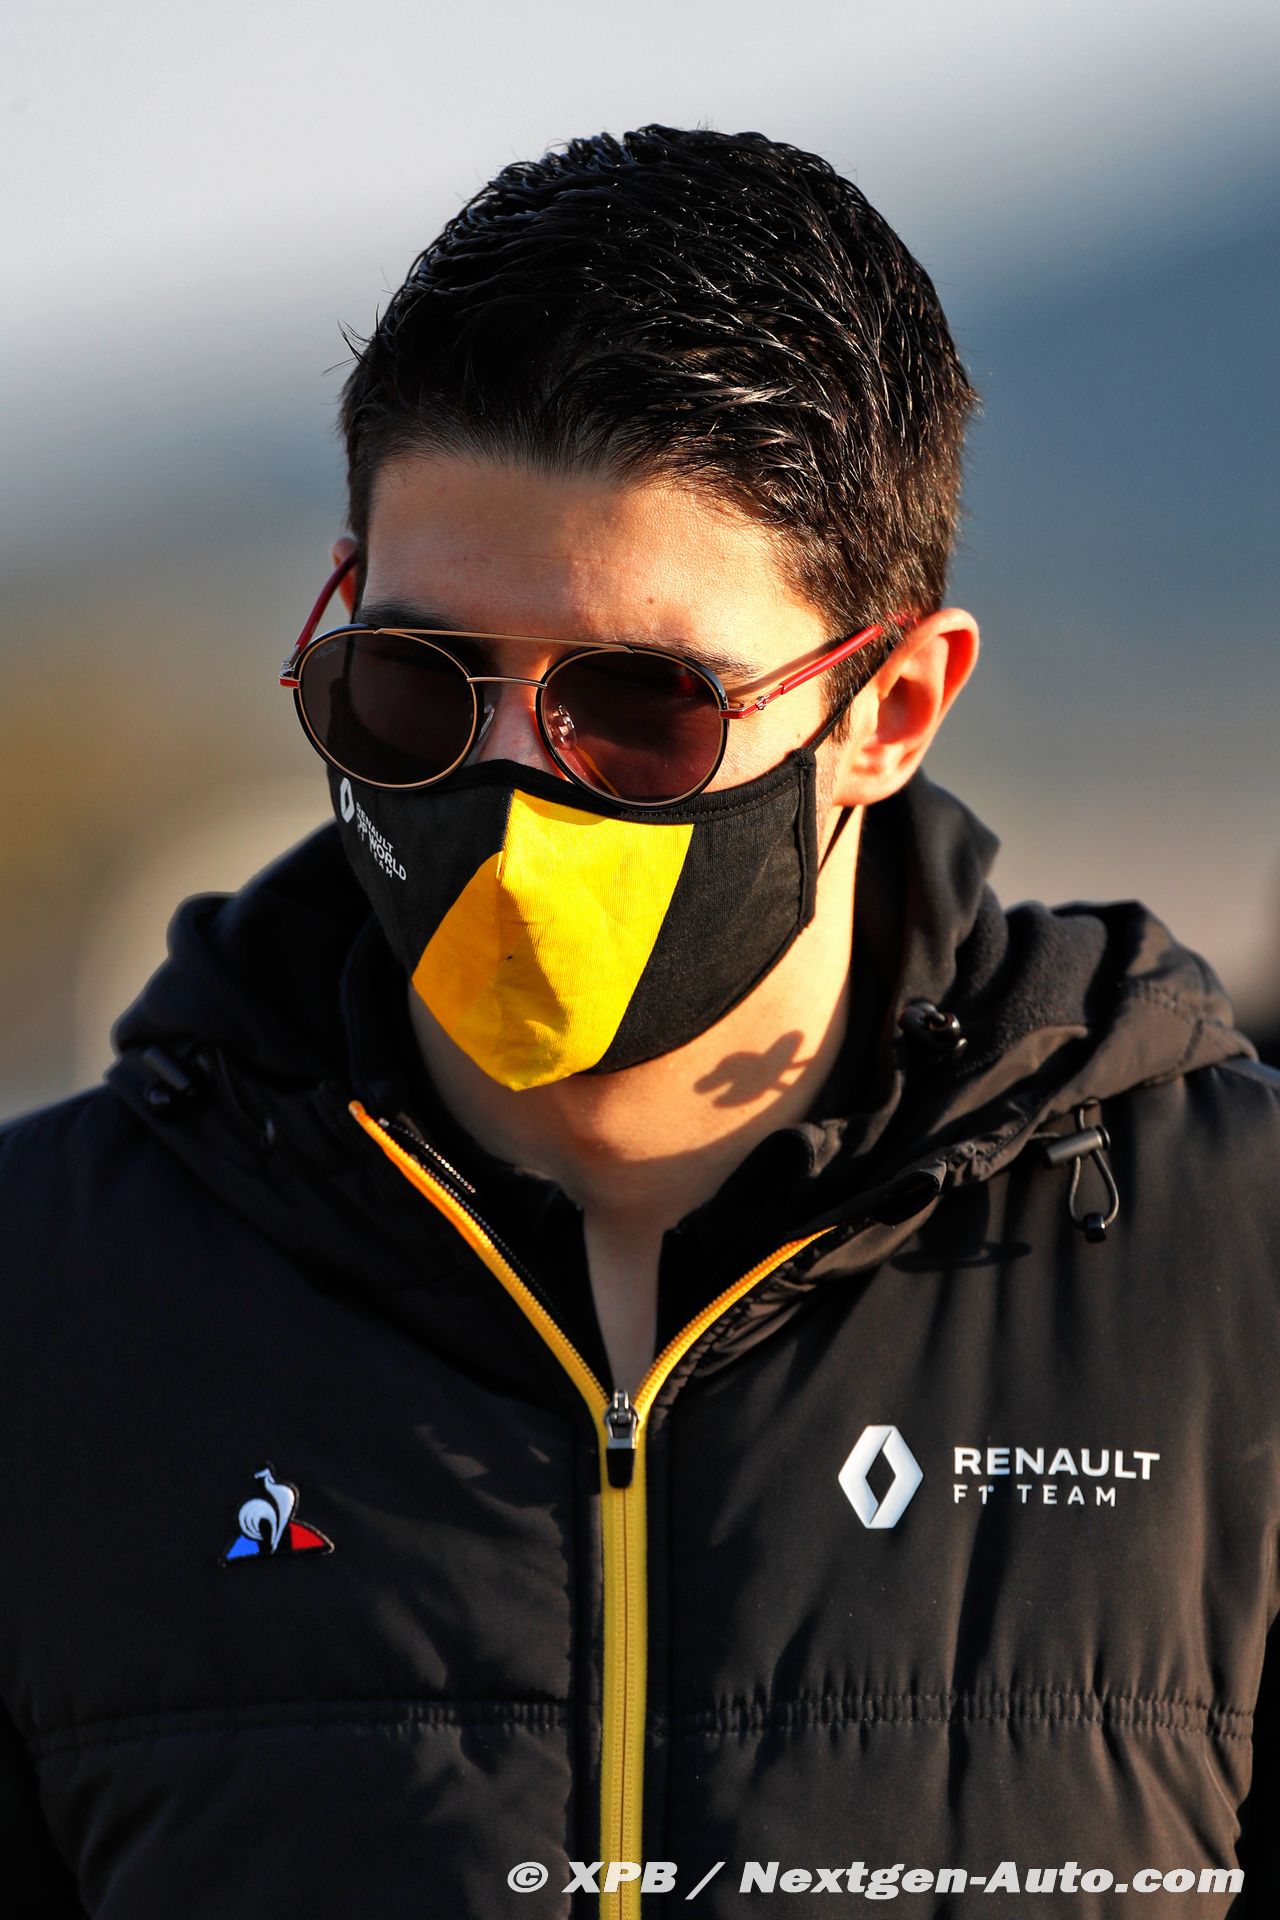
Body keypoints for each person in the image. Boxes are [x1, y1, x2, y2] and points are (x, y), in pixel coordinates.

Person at [1, 124, 1276, 1918]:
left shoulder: (1239, 1271)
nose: (512, 792)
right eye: (415, 687)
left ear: (893, 709)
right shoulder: (45, 1303)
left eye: (639, 708)